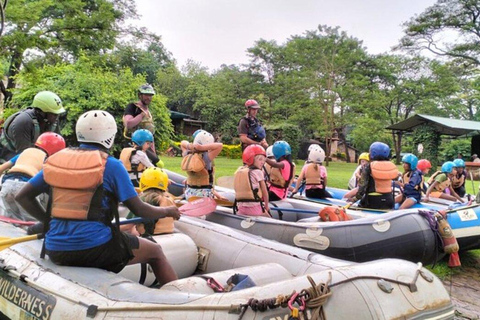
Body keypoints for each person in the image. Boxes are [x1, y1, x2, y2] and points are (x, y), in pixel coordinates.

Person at [16, 110, 180, 287]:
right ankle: (180, 299)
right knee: (155, 251)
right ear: (110, 136)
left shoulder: (56, 160)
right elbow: (140, 209)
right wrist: (168, 211)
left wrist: (47, 221)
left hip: (55, 248)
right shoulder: (111, 165)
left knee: (115, 233)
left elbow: (22, 196)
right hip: (95, 247)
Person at [0, 132, 65, 221]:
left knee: (9, 221)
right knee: (32, 221)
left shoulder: (25, 152)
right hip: (25, 187)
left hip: (7, 184)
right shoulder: (48, 159)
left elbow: (2, 168)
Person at [0, 91, 65, 162]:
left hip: (34, 155)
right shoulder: (23, 121)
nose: (56, 117)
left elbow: (57, 146)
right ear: (41, 112)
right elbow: (24, 155)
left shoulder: (52, 120)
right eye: (54, 114)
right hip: (9, 156)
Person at [347, 142, 399, 210]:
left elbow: (362, 187)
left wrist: (354, 199)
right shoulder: (391, 166)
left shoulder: (369, 167)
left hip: (372, 201)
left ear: (373, 153)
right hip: (389, 200)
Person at [125, 167, 175, 237]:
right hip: (169, 233)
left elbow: (127, 226)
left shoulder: (144, 199)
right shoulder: (169, 198)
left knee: (131, 229)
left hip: (150, 235)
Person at [180, 130, 226, 200]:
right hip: (203, 194)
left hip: (189, 193)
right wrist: (201, 147)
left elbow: (182, 143)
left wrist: (191, 146)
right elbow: (220, 145)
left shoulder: (187, 155)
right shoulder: (206, 157)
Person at [123, 84, 159, 164]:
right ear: (140, 95)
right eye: (146, 95)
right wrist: (141, 115)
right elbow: (128, 124)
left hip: (147, 148)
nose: (148, 97)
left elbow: (150, 134)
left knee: (156, 164)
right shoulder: (133, 107)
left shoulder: (148, 111)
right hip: (134, 148)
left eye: (150, 95)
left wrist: (153, 153)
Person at [233, 144, 270, 217]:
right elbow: (264, 191)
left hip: (240, 207)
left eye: (263, 159)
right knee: (268, 217)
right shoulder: (258, 172)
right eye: (260, 159)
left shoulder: (240, 170)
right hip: (254, 208)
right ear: (251, 159)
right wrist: (266, 206)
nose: (262, 162)